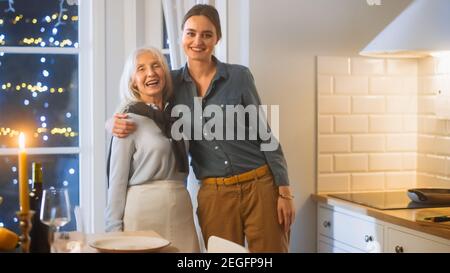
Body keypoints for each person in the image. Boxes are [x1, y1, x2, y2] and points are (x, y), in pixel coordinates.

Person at [112, 4, 295, 253]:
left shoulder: (239, 77)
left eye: (207, 34)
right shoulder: (170, 83)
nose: (198, 41)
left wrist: (284, 192)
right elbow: (143, 104)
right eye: (191, 33)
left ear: (217, 38)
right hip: (214, 194)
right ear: (181, 36)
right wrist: (114, 121)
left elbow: (265, 135)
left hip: (260, 185)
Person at [105, 47, 200, 253]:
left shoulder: (177, 117)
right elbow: (117, 180)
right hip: (143, 214)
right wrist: (113, 231)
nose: (151, 73)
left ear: (165, 74)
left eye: (156, 65)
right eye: (141, 68)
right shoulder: (127, 121)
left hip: (181, 211)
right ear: (133, 81)